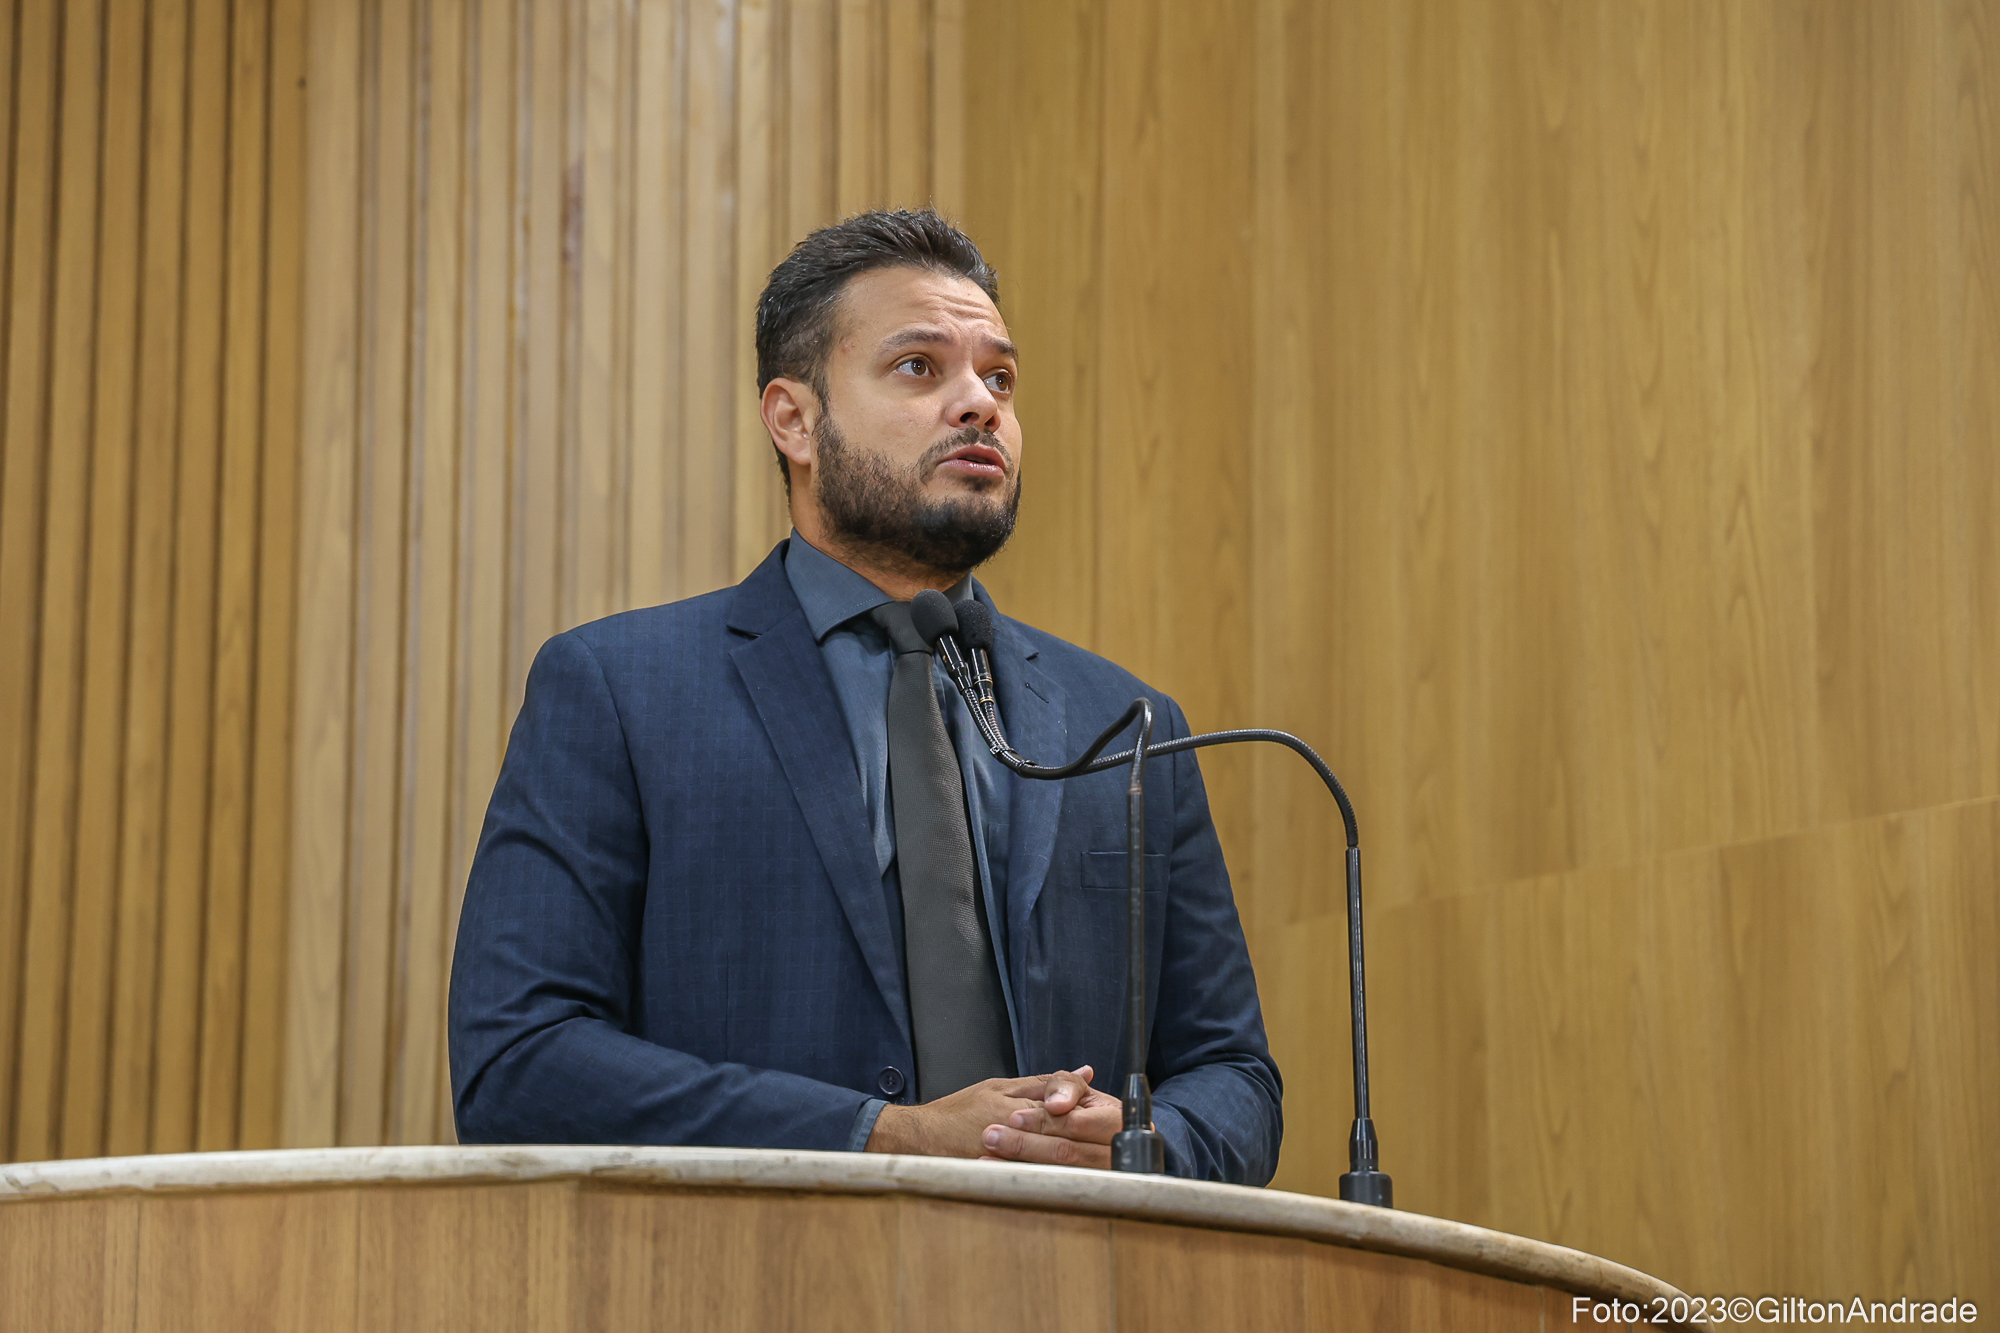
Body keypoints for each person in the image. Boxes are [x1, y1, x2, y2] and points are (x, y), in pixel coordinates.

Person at [448, 209, 1281, 1183]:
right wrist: (879, 1135)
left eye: (999, 378)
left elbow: (1234, 1074)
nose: (979, 405)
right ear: (793, 421)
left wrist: (1144, 1138)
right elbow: (521, 1060)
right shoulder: (621, 690)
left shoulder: (1128, 724)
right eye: (919, 367)